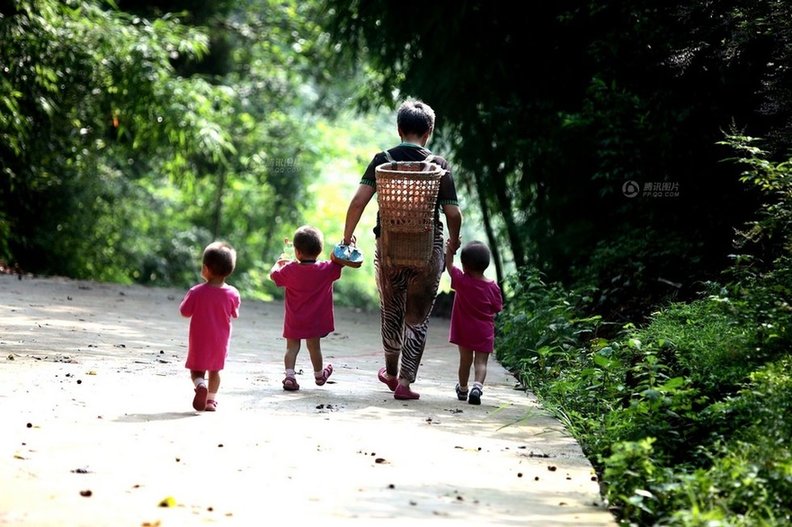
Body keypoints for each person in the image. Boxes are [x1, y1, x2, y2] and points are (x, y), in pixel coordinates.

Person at [342, 99, 462, 400]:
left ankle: (391, 372)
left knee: (391, 309)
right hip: (428, 250)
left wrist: (347, 239)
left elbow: (358, 202)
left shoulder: (382, 160)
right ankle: (406, 383)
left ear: (399, 129)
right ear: (429, 131)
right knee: (417, 317)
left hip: (389, 247)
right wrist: (453, 244)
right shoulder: (439, 166)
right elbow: (453, 214)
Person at [270, 225, 341, 391]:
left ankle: (289, 376)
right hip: (314, 321)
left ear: (297, 252)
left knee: (291, 348)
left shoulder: (289, 269)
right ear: (319, 250)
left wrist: (278, 264)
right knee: (314, 347)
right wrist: (346, 245)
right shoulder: (326, 269)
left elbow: (274, 276)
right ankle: (319, 375)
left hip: (294, 319)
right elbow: (339, 264)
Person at [179, 241, 241, 412]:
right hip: (219, 342)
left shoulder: (196, 292)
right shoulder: (233, 294)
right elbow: (235, 314)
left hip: (199, 341)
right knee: (215, 371)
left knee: (196, 370)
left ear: (205, 269)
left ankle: (200, 385)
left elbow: (184, 312)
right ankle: (210, 401)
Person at [446, 241, 503, 405]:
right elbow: (497, 308)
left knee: (465, 361)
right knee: (481, 362)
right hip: (483, 332)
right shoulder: (493, 287)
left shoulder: (461, 281)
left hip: (464, 331)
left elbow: (448, 265)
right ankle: (477, 388)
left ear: (464, 265)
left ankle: (463, 389)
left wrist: (450, 249)